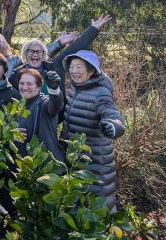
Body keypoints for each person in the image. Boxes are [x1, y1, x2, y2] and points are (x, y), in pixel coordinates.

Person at [61, 50, 125, 212]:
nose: (74, 71)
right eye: (72, 67)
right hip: (77, 158)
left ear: (91, 70)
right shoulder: (77, 88)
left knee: (99, 206)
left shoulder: (100, 92)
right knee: (78, 204)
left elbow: (112, 114)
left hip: (95, 160)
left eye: (79, 67)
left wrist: (113, 125)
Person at [9, 15, 112, 106]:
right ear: (25, 55)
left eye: (39, 52)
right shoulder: (15, 75)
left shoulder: (55, 66)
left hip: (54, 119)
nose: (35, 54)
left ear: (44, 54)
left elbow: (77, 46)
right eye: (31, 51)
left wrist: (93, 29)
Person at [16, 68, 64, 161]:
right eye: (22, 83)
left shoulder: (43, 103)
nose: (25, 87)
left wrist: (54, 90)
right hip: (25, 166)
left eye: (29, 84)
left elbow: (55, 105)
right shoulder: (18, 106)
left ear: (38, 87)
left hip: (46, 166)